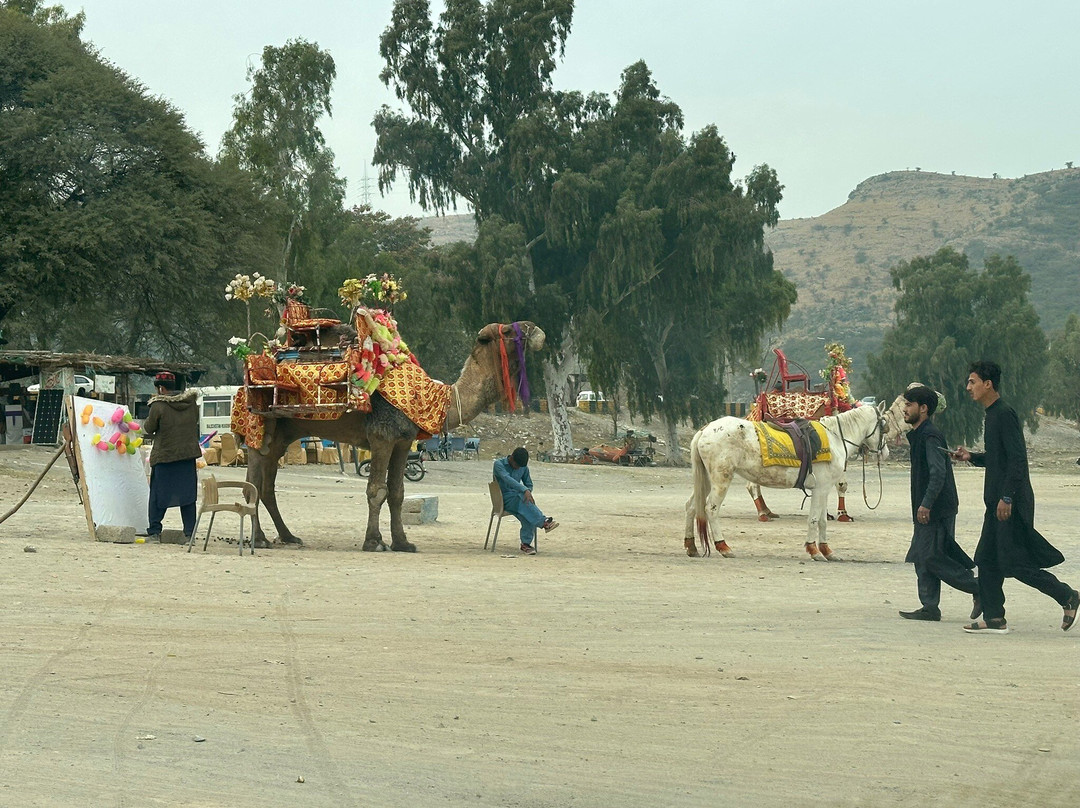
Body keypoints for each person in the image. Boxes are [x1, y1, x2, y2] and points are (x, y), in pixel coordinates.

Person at [952, 361, 1079, 634]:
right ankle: (995, 618)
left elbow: (1018, 460)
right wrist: (971, 457)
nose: (968, 387)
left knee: (1014, 563)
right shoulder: (992, 415)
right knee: (986, 559)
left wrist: (1007, 497)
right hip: (996, 503)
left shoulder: (1004, 414)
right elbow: (999, 459)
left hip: (1009, 503)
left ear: (988, 384)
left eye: (973, 381)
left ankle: (1067, 595)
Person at [897, 385, 980, 622]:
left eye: (909, 404)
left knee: (931, 556)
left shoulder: (930, 435)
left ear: (923, 409)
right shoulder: (920, 434)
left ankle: (979, 588)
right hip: (926, 507)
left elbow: (938, 472)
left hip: (936, 508)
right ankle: (930, 607)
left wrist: (926, 504)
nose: (905, 409)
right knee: (922, 556)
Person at [142, 372, 201, 541]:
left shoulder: (158, 405)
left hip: (165, 457)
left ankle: (154, 531)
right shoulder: (191, 404)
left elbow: (149, 428)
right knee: (188, 496)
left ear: (161, 388)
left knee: (158, 496)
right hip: (187, 456)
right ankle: (189, 533)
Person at [493, 447, 558, 555]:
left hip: (519, 500)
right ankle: (544, 522)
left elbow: (529, 484)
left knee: (527, 510)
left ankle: (525, 544)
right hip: (504, 499)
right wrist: (524, 490)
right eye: (517, 466)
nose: (518, 468)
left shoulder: (523, 468)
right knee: (524, 501)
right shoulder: (499, 465)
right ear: (512, 458)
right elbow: (507, 479)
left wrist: (527, 491)